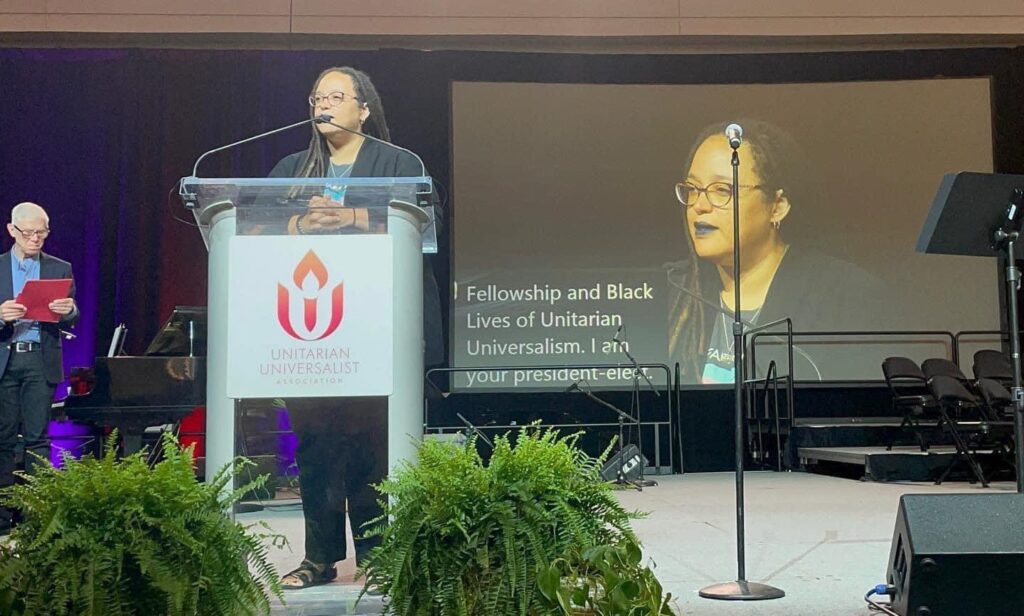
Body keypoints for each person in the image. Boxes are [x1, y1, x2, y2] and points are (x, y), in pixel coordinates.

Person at [267, 66, 443, 589]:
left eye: (337, 96)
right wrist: (302, 222)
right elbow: (256, 224)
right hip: (310, 328)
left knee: (372, 444)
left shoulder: (398, 163)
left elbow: (426, 219)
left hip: (376, 322)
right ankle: (318, 559)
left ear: (364, 108)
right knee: (316, 445)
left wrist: (352, 219)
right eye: (318, 96)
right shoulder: (291, 167)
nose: (324, 104)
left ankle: (378, 556)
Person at [667, 120, 883, 384]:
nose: (699, 205)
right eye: (692, 190)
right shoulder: (675, 289)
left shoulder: (845, 294)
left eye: (722, 190)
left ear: (778, 206)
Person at [0, 202, 78, 533]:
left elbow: (73, 314)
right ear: (11, 230)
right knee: (2, 440)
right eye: (29, 233)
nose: (35, 239)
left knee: (37, 439)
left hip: (38, 358)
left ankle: (36, 517)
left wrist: (69, 309)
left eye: (42, 233)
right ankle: (3, 518)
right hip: (5, 357)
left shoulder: (60, 267)